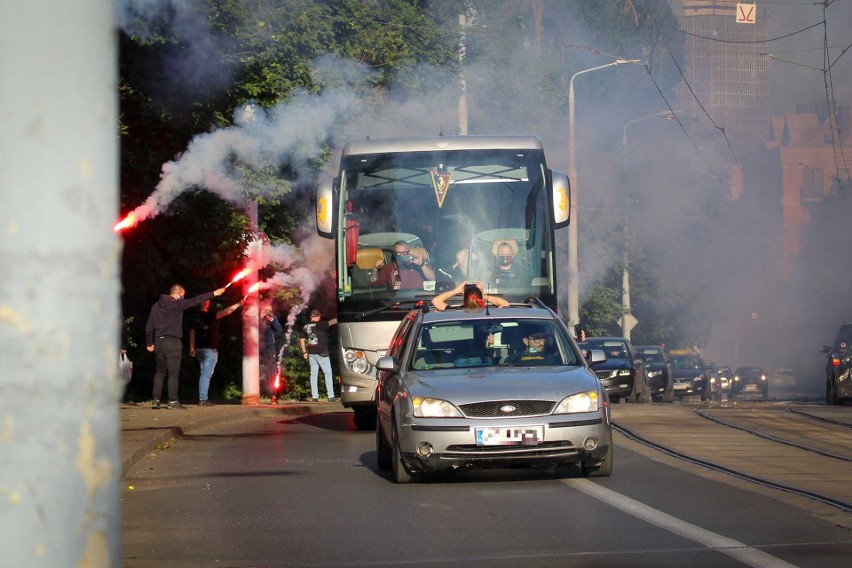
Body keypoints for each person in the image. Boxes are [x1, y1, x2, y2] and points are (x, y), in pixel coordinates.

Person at [146, 284, 226, 410]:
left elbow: (149, 326)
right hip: (172, 342)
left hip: (159, 342)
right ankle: (172, 402)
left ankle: (155, 401)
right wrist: (214, 293)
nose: (183, 298)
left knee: (160, 371)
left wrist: (149, 343)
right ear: (177, 294)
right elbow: (196, 300)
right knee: (173, 372)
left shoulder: (156, 306)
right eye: (183, 296)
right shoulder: (177, 304)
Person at [188, 299, 242, 406]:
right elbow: (225, 312)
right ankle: (203, 399)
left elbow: (192, 333)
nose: (209, 303)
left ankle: (202, 397)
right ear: (205, 304)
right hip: (209, 349)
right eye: (207, 302)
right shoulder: (209, 316)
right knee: (206, 374)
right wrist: (239, 304)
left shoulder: (195, 318)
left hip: (199, 349)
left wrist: (192, 348)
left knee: (203, 373)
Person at [299, 310, 339, 402]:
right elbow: (331, 322)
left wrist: (304, 352)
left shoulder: (305, 326)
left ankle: (315, 396)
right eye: (319, 316)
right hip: (322, 353)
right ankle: (331, 396)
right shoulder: (320, 325)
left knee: (313, 375)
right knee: (328, 373)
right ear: (318, 317)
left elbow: (301, 340)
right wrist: (340, 317)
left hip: (311, 353)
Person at [369, 240, 435, 290]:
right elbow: (373, 285)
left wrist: (422, 265)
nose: (402, 255)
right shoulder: (389, 268)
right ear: (394, 254)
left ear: (409, 252)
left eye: (404, 252)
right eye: (399, 253)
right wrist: (375, 269)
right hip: (398, 301)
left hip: (419, 299)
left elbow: (433, 278)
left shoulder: (419, 264)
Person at [431, 281, 509, 311]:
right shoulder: (489, 313)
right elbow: (505, 304)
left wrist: (456, 290)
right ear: (481, 298)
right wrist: (484, 295)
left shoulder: (454, 312)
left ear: (464, 299)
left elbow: (436, 301)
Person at [259, 306, 283, 398]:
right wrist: (261, 318)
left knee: (271, 371)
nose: (267, 312)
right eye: (265, 310)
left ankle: (273, 394)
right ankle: (258, 392)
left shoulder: (273, 318)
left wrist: (272, 319)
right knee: (258, 371)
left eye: (269, 310)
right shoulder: (257, 318)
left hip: (270, 348)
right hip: (258, 348)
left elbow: (279, 330)